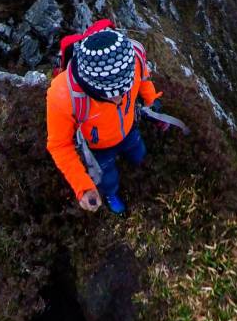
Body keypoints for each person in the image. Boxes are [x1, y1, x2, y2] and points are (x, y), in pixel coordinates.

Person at [45, 26, 166, 214]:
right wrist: (83, 187)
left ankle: (140, 171)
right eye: (110, 95)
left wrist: (151, 101)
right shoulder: (63, 95)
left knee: (139, 153)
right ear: (91, 86)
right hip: (98, 149)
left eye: (123, 91)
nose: (119, 100)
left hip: (129, 130)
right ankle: (111, 194)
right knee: (107, 179)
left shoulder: (133, 59)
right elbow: (60, 146)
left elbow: (143, 79)